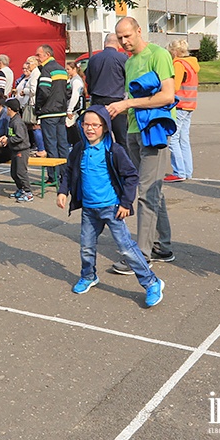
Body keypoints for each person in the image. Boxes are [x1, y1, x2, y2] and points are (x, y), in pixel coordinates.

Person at [56, 106, 165, 307]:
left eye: (95, 125)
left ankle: (151, 282)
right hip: (89, 209)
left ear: (105, 127)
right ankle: (88, 276)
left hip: (112, 208)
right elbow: (68, 171)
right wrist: (63, 191)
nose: (90, 129)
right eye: (86, 124)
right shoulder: (79, 149)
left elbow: (131, 176)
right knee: (86, 247)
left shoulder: (114, 150)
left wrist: (125, 203)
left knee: (126, 249)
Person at [106, 17, 176, 274]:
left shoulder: (158, 54)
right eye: (120, 37)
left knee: (145, 192)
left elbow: (167, 95)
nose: (124, 41)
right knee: (153, 190)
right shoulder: (131, 61)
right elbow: (133, 98)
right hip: (134, 130)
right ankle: (162, 245)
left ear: (139, 30)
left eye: (128, 36)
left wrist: (126, 105)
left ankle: (142, 255)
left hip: (154, 131)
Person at [164, 39, 199, 182]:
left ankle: (179, 171)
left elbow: (175, 86)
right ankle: (187, 171)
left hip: (179, 105)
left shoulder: (178, 65)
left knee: (173, 139)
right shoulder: (192, 64)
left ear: (174, 51)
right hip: (190, 104)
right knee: (184, 139)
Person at [86, 33, 129, 150]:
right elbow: (129, 80)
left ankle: (103, 163)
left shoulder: (93, 59)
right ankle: (123, 164)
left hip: (98, 102)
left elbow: (88, 81)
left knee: (99, 137)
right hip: (117, 103)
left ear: (105, 43)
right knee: (122, 138)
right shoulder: (123, 58)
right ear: (118, 44)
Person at [34, 44, 70, 180]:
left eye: (39, 55)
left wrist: (38, 107)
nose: (37, 58)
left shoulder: (46, 70)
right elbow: (68, 90)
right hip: (61, 112)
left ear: (47, 55)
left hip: (48, 112)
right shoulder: (62, 69)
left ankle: (53, 176)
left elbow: (44, 90)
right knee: (63, 144)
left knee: (51, 145)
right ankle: (66, 175)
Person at [0, 98, 33, 203]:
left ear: (9, 109)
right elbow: (12, 135)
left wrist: (9, 140)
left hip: (21, 151)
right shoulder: (12, 120)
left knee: (21, 172)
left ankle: (28, 193)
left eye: (6, 108)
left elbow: (20, 137)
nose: (5, 110)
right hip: (14, 150)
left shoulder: (17, 122)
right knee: (14, 173)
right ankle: (21, 189)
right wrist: (5, 138)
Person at [64, 60, 87, 146]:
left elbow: (75, 96)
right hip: (73, 106)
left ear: (74, 69)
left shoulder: (76, 81)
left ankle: (77, 146)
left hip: (76, 107)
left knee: (73, 127)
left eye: (68, 69)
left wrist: (70, 110)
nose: (67, 71)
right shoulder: (72, 79)